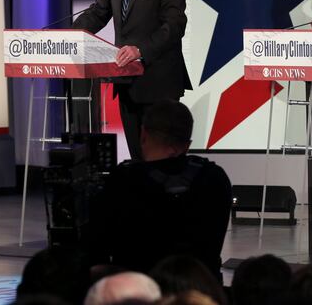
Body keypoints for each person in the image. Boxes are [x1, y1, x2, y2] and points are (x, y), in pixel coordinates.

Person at [73, 0, 191, 160]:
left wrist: (140, 50)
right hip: (127, 81)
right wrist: (70, 35)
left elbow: (174, 25)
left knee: (161, 158)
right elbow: (99, 12)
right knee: (138, 157)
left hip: (159, 81)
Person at [88, 100, 232, 281]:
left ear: (143, 135)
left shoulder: (123, 181)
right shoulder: (215, 177)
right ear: (187, 144)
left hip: (137, 290)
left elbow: (97, 246)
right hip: (201, 289)